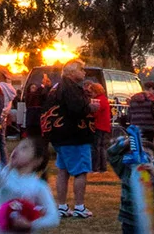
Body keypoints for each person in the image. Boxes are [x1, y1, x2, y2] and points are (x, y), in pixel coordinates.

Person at [44, 63, 97, 216]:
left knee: (63, 170)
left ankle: (62, 206)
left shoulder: (56, 87)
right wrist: (90, 107)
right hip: (75, 135)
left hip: (59, 135)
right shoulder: (70, 88)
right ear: (72, 72)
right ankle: (79, 207)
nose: (84, 72)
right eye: (81, 69)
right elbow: (76, 108)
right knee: (81, 171)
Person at [0, 133, 66, 234]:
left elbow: (53, 217)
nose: (16, 149)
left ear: (37, 160)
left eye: (24, 148)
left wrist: (31, 224)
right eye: (17, 146)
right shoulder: (4, 174)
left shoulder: (39, 186)